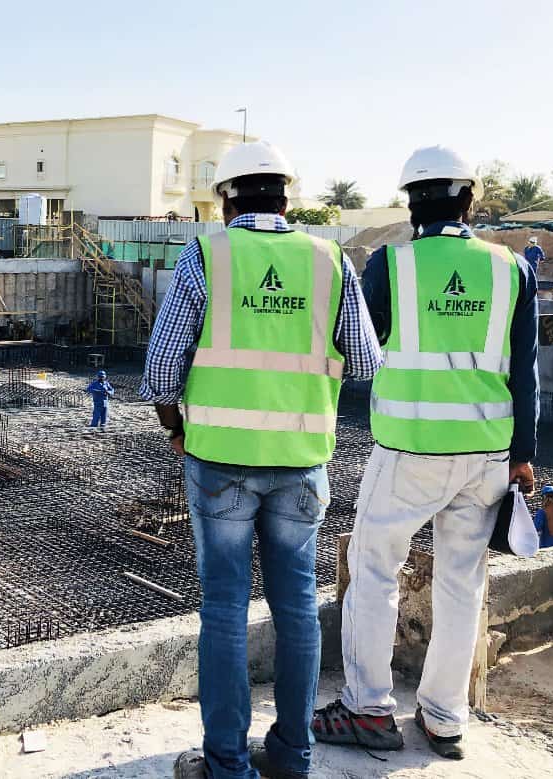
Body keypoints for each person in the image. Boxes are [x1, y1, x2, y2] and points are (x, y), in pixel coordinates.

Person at [140, 141, 383, 779]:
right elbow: (364, 362)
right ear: (286, 197)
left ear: (226, 199)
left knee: (223, 609)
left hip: (219, 459)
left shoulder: (208, 255)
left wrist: (178, 431)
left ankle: (226, 764)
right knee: (298, 607)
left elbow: (162, 372)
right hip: (301, 460)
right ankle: (292, 757)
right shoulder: (329, 260)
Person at [313, 145, 539, 761]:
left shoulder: (391, 265)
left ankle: (367, 709)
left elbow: (355, 343)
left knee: (374, 572)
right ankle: (444, 719)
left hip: (410, 449)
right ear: (470, 199)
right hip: (488, 453)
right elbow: (526, 372)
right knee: (463, 586)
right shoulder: (512, 268)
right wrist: (523, 454)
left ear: (411, 202)